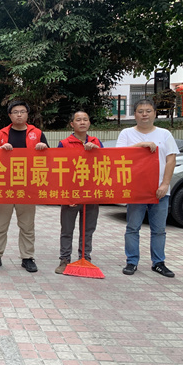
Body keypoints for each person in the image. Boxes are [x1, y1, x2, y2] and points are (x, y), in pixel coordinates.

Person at [116, 99, 178, 278]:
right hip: (136, 190)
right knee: (132, 227)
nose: (144, 114)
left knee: (159, 230)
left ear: (155, 113)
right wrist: (140, 146)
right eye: (140, 111)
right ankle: (131, 261)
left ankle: (158, 263)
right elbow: (119, 155)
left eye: (148, 111)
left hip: (159, 190)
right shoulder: (127, 133)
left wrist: (165, 184)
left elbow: (171, 160)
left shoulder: (164, 134)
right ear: (135, 114)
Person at [0, 100, 49, 273]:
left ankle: (27, 257)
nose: (19, 114)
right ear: (10, 115)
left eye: (22, 111)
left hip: (27, 187)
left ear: (28, 114)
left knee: (27, 225)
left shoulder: (37, 134)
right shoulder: (1, 134)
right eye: (15, 112)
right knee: (0, 225)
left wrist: (44, 148)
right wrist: (0, 150)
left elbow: (49, 159)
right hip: (4, 187)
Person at [54, 111, 103, 274]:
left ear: (89, 123)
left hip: (91, 194)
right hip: (71, 194)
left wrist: (96, 151)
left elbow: (105, 164)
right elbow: (59, 170)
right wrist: (66, 195)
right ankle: (64, 259)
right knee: (67, 229)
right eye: (78, 120)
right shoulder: (64, 143)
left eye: (85, 120)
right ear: (72, 124)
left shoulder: (96, 142)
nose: (82, 122)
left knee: (88, 230)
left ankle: (85, 258)